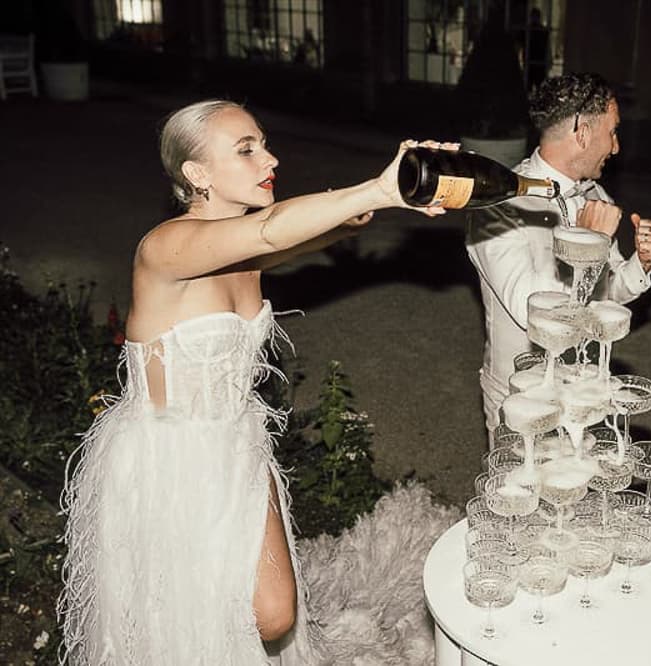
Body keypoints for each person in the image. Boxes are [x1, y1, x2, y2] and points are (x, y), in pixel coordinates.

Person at [57, 99, 449, 664]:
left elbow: (281, 241)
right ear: (196, 174)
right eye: (245, 150)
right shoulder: (165, 247)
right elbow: (269, 231)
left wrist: (346, 222)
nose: (270, 157)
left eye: (263, 143)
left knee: (270, 616)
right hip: (168, 458)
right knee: (196, 622)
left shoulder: (238, 246)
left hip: (237, 440)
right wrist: (378, 190)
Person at [465, 73, 651, 445]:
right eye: (613, 132)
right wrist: (588, 242)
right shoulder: (498, 204)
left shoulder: (595, 194)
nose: (617, 147)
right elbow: (534, 313)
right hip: (523, 402)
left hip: (583, 393)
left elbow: (606, 293)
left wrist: (641, 263)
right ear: (583, 133)